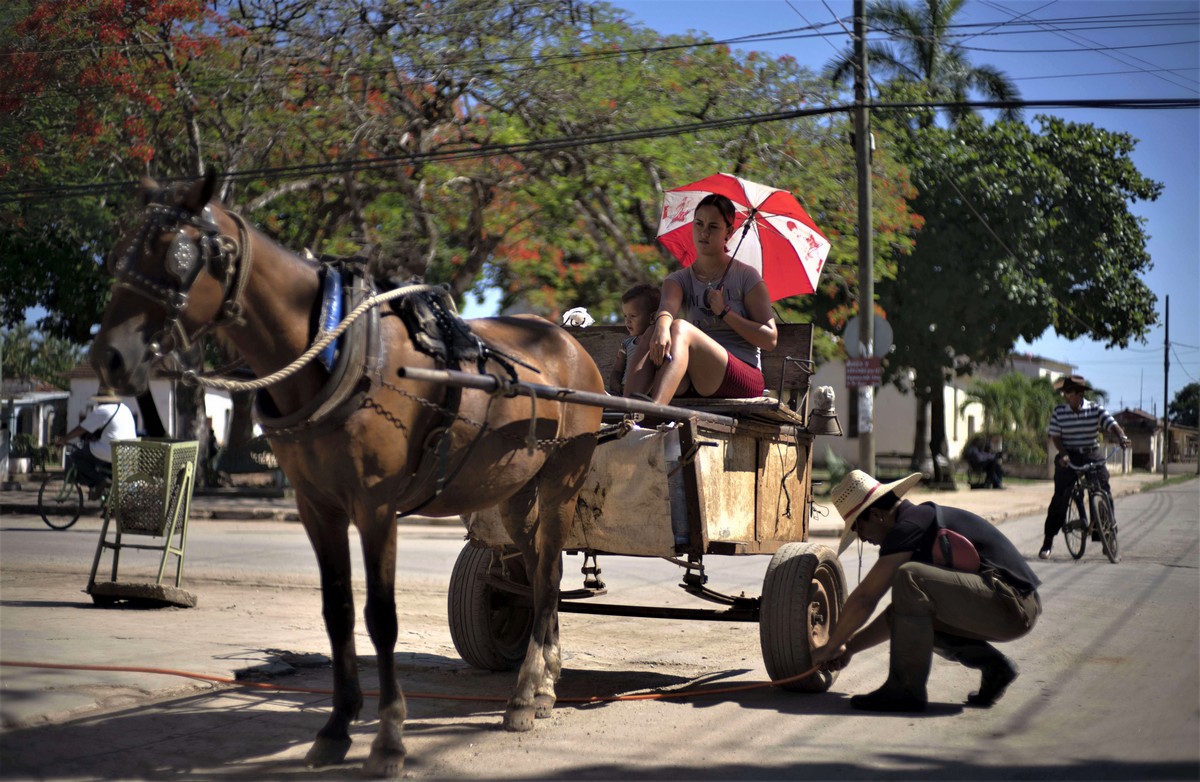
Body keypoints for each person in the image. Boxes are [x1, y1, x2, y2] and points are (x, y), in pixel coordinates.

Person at [811, 469, 1042, 713]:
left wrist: (831, 644)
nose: (863, 539)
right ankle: (995, 667)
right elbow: (899, 617)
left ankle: (904, 691)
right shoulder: (918, 520)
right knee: (911, 613)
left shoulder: (909, 526)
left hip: (1012, 603)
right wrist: (849, 648)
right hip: (1012, 607)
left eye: (859, 528)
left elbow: (866, 597)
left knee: (909, 576)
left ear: (877, 515)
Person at [624, 193, 777, 404]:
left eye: (713, 227)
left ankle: (654, 411)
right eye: (699, 224)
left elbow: (770, 339)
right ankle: (628, 411)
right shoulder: (679, 279)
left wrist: (725, 312)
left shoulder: (747, 276)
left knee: (680, 328)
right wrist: (660, 328)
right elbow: (668, 305)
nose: (704, 232)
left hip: (741, 378)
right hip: (695, 378)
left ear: (729, 232)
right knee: (653, 330)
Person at [1038, 374, 1130, 559]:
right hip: (1069, 453)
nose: (1065, 396)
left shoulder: (1095, 409)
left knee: (1102, 489)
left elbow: (1112, 424)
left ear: (1079, 394)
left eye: (1068, 392)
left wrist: (1122, 437)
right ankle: (1048, 541)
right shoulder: (1059, 412)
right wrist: (1063, 453)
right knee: (1061, 495)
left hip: (1091, 452)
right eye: (1064, 392)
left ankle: (1107, 536)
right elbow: (1055, 436)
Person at [59, 387, 137, 492]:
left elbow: (81, 429)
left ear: (100, 399)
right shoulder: (124, 408)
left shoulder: (102, 410)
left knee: (77, 456)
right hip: (129, 452)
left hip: (111, 452)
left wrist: (64, 439)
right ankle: (106, 488)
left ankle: (99, 481)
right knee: (98, 456)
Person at [608, 283, 660, 395]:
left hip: (646, 393)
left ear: (652, 317)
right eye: (625, 316)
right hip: (623, 391)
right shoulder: (626, 344)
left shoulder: (657, 342)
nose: (627, 321)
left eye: (633, 316)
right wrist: (615, 384)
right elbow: (617, 369)